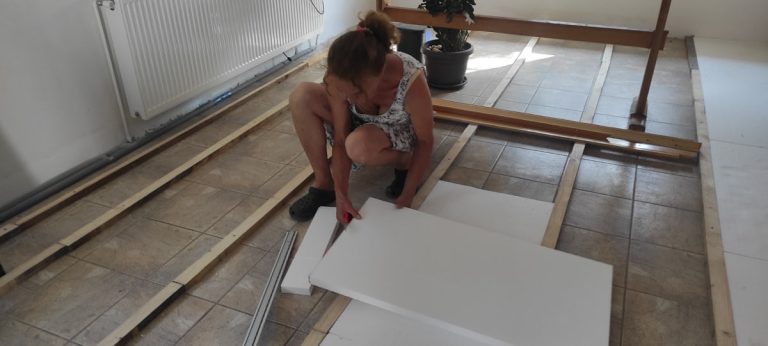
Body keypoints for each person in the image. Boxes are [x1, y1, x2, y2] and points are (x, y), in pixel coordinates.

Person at [288, 10, 434, 224]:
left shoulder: (411, 80)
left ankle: (403, 161)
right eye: (343, 93)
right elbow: (340, 138)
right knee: (302, 95)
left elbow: (425, 140)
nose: (348, 98)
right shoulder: (341, 76)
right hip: (362, 123)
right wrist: (341, 195)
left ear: (378, 74)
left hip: (399, 129)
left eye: (355, 94)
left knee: (357, 146)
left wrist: (410, 191)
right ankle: (324, 184)